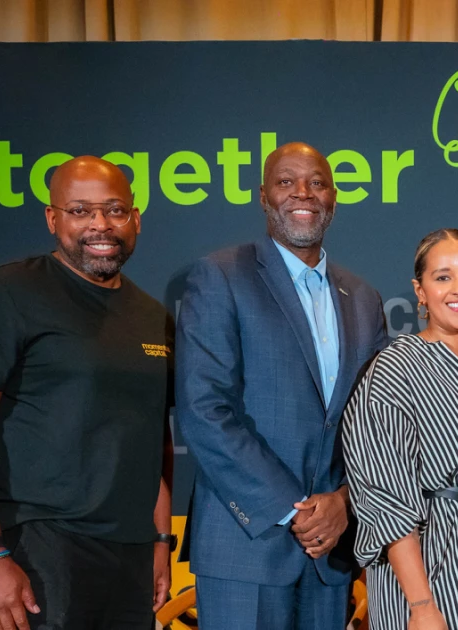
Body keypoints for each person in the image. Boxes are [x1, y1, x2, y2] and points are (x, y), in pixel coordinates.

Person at [0, 156, 174, 630]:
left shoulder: (152, 315)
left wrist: (159, 542)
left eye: (114, 210)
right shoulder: (3, 293)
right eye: (80, 210)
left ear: (136, 219)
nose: (100, 225)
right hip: (39, 551)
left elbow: (153, 443)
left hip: (130, 557)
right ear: (52, 218)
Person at [175, 142, 389, 629]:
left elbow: (378, 425)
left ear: (333, 198)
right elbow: (203, 408)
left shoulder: (361, 297)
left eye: (316, 183)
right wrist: (291, 510)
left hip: (331, 552)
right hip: (246, 543)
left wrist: (344, 502)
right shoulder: (222, 275)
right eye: (286, 182)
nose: (303, 193)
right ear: (263, 196)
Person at [342, 228, 458, 630]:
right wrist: (422, 605)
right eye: (442, 277)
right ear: (420, 290)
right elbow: (385, 495)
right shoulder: (396, 367)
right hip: (429, 564)